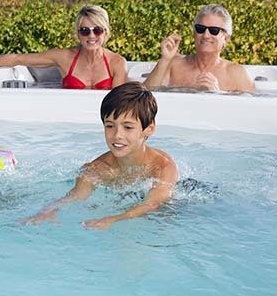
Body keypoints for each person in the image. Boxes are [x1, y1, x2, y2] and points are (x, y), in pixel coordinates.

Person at [23, 82, 178, 230]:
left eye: (128, 127)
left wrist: (113, 219)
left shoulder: (162, 167)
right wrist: (48, 211)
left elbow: (153, 204)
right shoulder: (97, 169)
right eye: (110, 126)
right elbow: (75, 197)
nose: (117, 135)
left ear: (149, 128)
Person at [0, 5, 128, 90]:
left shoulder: (116, 62)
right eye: (85, 31)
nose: (91, 36)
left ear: (106, 32)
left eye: (97, 30)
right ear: (78, 33)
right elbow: (20, 58)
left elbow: (120, 101)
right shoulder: (64, 57)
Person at [144, 4, 254, 93]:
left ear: (226, 38)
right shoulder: (173, 65)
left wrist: (217, 95)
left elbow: (248, 112)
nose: (206, 35)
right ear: (194, 33)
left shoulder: (237, 74)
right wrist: (165, 59)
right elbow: (143, 99)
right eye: (200, 29)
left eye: (214, 30)